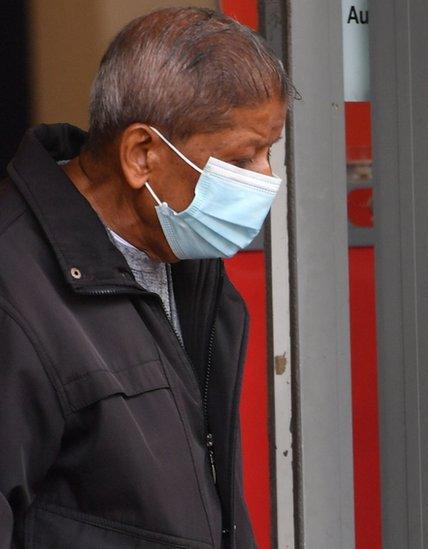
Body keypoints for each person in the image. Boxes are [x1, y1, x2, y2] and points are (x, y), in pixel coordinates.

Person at [0, 7, 293, 548]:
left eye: (269, 153)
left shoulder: (188, 263)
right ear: (142, 155)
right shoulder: (16, 291)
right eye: (242, 158)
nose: (266, 180)